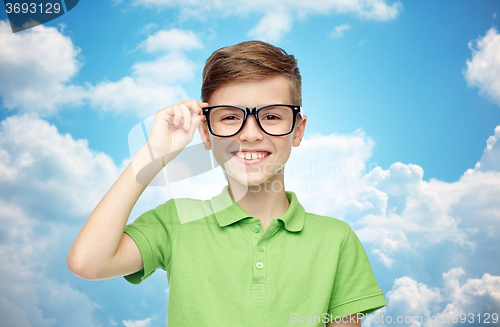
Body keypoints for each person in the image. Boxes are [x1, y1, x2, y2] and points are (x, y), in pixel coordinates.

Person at [67, 40, 387, 326]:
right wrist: (154, 155)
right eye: (230, 117)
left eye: (272, 116)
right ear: (205, 132)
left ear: (298, 130)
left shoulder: (336, 239)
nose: (250, 134)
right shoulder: (176, 222)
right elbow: (87, 262)